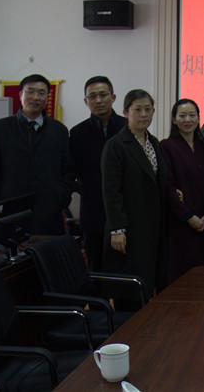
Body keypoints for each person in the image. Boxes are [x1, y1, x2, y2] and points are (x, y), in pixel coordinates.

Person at [0, 73, 72, 236]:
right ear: (20, 95)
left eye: (41, 93)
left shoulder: (59, 131)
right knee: (10, 252)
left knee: (48, 252)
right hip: (9, 213)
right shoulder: (0, 129)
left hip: (48, 212)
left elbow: (67, 171)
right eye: (30, 91)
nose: (35, 97)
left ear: (47, 98)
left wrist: (60, 198)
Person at [102, 89, 167, 304]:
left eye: (148, 109)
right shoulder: (116, 145)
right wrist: (117, 229)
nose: (144, 114)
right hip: (128, 228)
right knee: (130, 288)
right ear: (125, 112)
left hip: (151, 226)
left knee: (148, 283)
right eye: (138, 109)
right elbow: (111, 192)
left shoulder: (153, 142)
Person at [69, 76, 126, 271]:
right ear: (86, 101)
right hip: (93, 212)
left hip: (125, 210)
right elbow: (75, 172)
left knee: (124, 271)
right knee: (96, 270)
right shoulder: (77, 133)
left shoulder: (127, 127)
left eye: (103, 95)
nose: (98, 100)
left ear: (113, 97)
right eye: (92, 97)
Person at [160, 99, 204, 284]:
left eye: (192, 115)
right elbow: (167, 186)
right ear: (174, 119)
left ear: (199, 118)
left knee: (202, 278)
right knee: (179, 277)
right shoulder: (166, 146)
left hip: (203, 222)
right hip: (179, 222)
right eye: (182, 116)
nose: (187, 120)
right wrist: (188, 216)